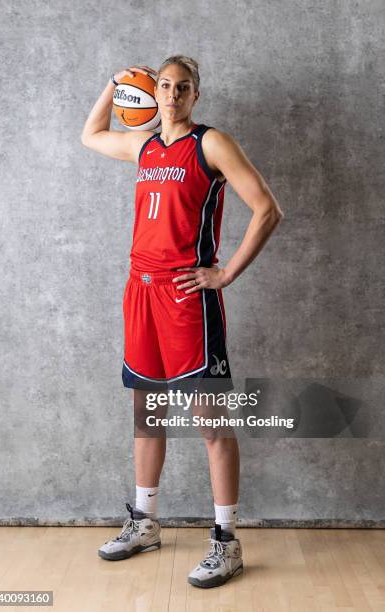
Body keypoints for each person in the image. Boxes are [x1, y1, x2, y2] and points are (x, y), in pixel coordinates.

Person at [81, 55, 283, 588]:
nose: (171, 95)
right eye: (164, 86)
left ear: (196, 95)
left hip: (186, 298)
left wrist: (226, 274)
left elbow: (267, 209)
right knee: (147, 413)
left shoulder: (210, 144)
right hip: (139, 294)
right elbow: (91, 134)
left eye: (182, 87)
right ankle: (145, 522)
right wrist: (116, 83)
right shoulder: (145, 146)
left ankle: (227, 541)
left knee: (212, 423)